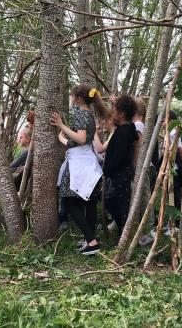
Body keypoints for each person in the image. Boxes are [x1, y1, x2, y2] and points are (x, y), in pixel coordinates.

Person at [51, 84, 109, 255]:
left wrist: (62, 125)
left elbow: (82, 139)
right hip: (87, 163)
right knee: (88, 204)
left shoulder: (80, 113)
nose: (70, 99)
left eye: (71, 96)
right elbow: (79, 143)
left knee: (70, 202)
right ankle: (90, 240)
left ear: (78, 99)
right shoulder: (88, 114)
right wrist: (63, 139)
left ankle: (92, 242)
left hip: (80, 166)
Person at [103, 95, 138, 239]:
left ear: (121, 114)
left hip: (121, 174)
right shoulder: (125, 128)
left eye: (114, 111)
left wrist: (107, 169)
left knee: (122, 203)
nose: (112, 115)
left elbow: (119, 156)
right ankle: (122, 231)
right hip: (117, 174)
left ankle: (124, 234)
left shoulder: (125, 132)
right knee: (111, 200)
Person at [133, 98, 156, 246]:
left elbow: (139, 146)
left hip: (142, 166)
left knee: (145, 195)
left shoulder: (138, 124)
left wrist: (137, 165)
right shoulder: (140, 124)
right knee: (142, 195)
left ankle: (148, 229)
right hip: (144, 165)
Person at [161, 110, 182, 210]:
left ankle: (175, 220)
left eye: (163, 120)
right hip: (171, 166)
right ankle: (174, 219)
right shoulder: (169, 133)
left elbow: (181, 151)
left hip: (174, 168)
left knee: (174, 194)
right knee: (173, 193)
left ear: (170, 121)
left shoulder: (172, 133)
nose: (161, 122)